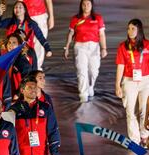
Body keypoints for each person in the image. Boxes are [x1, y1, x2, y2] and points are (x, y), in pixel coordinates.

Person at [9, 77, 60, 155]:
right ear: (22, 90)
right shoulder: (14, 110)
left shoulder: (45, 108)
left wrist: (54, 154)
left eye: (35, 87)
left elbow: (53, 131)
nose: (33, 90)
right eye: (30, 87)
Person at [63, 0, 107, 103]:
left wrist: (103, 48)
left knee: (94, 71)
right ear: (81, 6)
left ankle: (90, 86)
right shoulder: (76, 19)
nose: (86, 6)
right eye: (84, 4)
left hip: (94, 47)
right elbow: (70, 34)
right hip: (80, 46)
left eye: (88, 4)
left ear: (92, 6)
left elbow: (101, 35)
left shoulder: (98, 18)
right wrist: (67, 47)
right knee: (82, 71)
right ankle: (83, 94)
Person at [115, 18, 149, 147]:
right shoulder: (123, 46)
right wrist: (117, 85)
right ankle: (134, 140)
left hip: (146, 80)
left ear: (139, 29)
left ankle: (144, 136)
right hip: (129, 81)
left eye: (133, 28)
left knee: (144, 110)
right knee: (130, 111)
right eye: (128, 28)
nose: (130, 31)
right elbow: (120, 66)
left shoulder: (147, 45)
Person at [0, 0, 52, 69]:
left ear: (25, 10)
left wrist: (48, 49)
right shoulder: (10, 22)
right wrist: (0, 14)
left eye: (20, 7)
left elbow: (41, 37)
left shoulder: (31, 24)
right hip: (11, 53)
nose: (18, 9)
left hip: (26, 54)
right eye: (16, 7)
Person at [20, 0, 54, 69]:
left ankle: (37, 68)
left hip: (40, 16)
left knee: (40, 44)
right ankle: (26, 67)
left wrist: (51, 17)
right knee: (25, 43)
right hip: (25, 15)